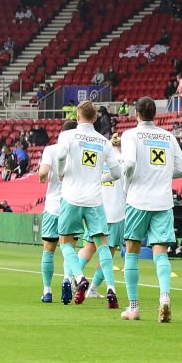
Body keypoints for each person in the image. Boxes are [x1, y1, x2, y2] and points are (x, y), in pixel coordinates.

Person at [119, 97, 182, 322]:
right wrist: (161, 174)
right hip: (162, 201)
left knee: (132, 250)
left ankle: (133, 307)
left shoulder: (130, 135)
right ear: (154, 115)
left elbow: (129, 163)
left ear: (136, 114)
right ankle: (165, 297)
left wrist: (127, 182)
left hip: (138, 199)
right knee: (161, 253)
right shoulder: (168, 136)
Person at [54, 101, 123, 306]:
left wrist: (60, 173)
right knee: (103, 245)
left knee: (66, 243)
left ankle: (79, 277)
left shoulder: (68, 135)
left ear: (77, 117)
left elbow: (60, 155)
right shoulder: (104, 141)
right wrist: (100, 179)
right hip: (94, 200)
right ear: (95, 118)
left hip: (72, 198)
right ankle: (111, 288)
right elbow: (117, 173)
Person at [81, 133, 127, 302]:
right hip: (116, 212)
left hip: (96, 209)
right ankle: (93, 288)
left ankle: (73, 278)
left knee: (89, 248)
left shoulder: (100, 157)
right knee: (108, 252)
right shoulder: (125, 161)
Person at [36, 120, 78, 304]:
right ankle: (67, 279)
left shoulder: (51, 150)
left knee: (49, 249)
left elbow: (43, 172)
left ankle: (47, 291)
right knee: (69, 248)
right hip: (72, 206)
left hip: (53, 206)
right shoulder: (80, 152)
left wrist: (41, 176)